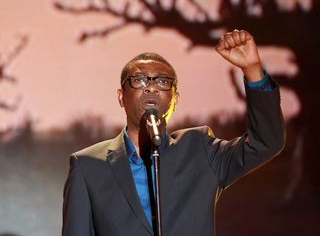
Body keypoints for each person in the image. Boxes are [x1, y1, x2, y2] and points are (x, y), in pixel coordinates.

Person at [62, 30, 285, 236]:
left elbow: (265, 142)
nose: (151, 87)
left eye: (162, 81)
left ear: (175, 99)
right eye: (139, 80)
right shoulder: (88, 165)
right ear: (121, 96)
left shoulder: (200, 149)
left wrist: (253, 70)